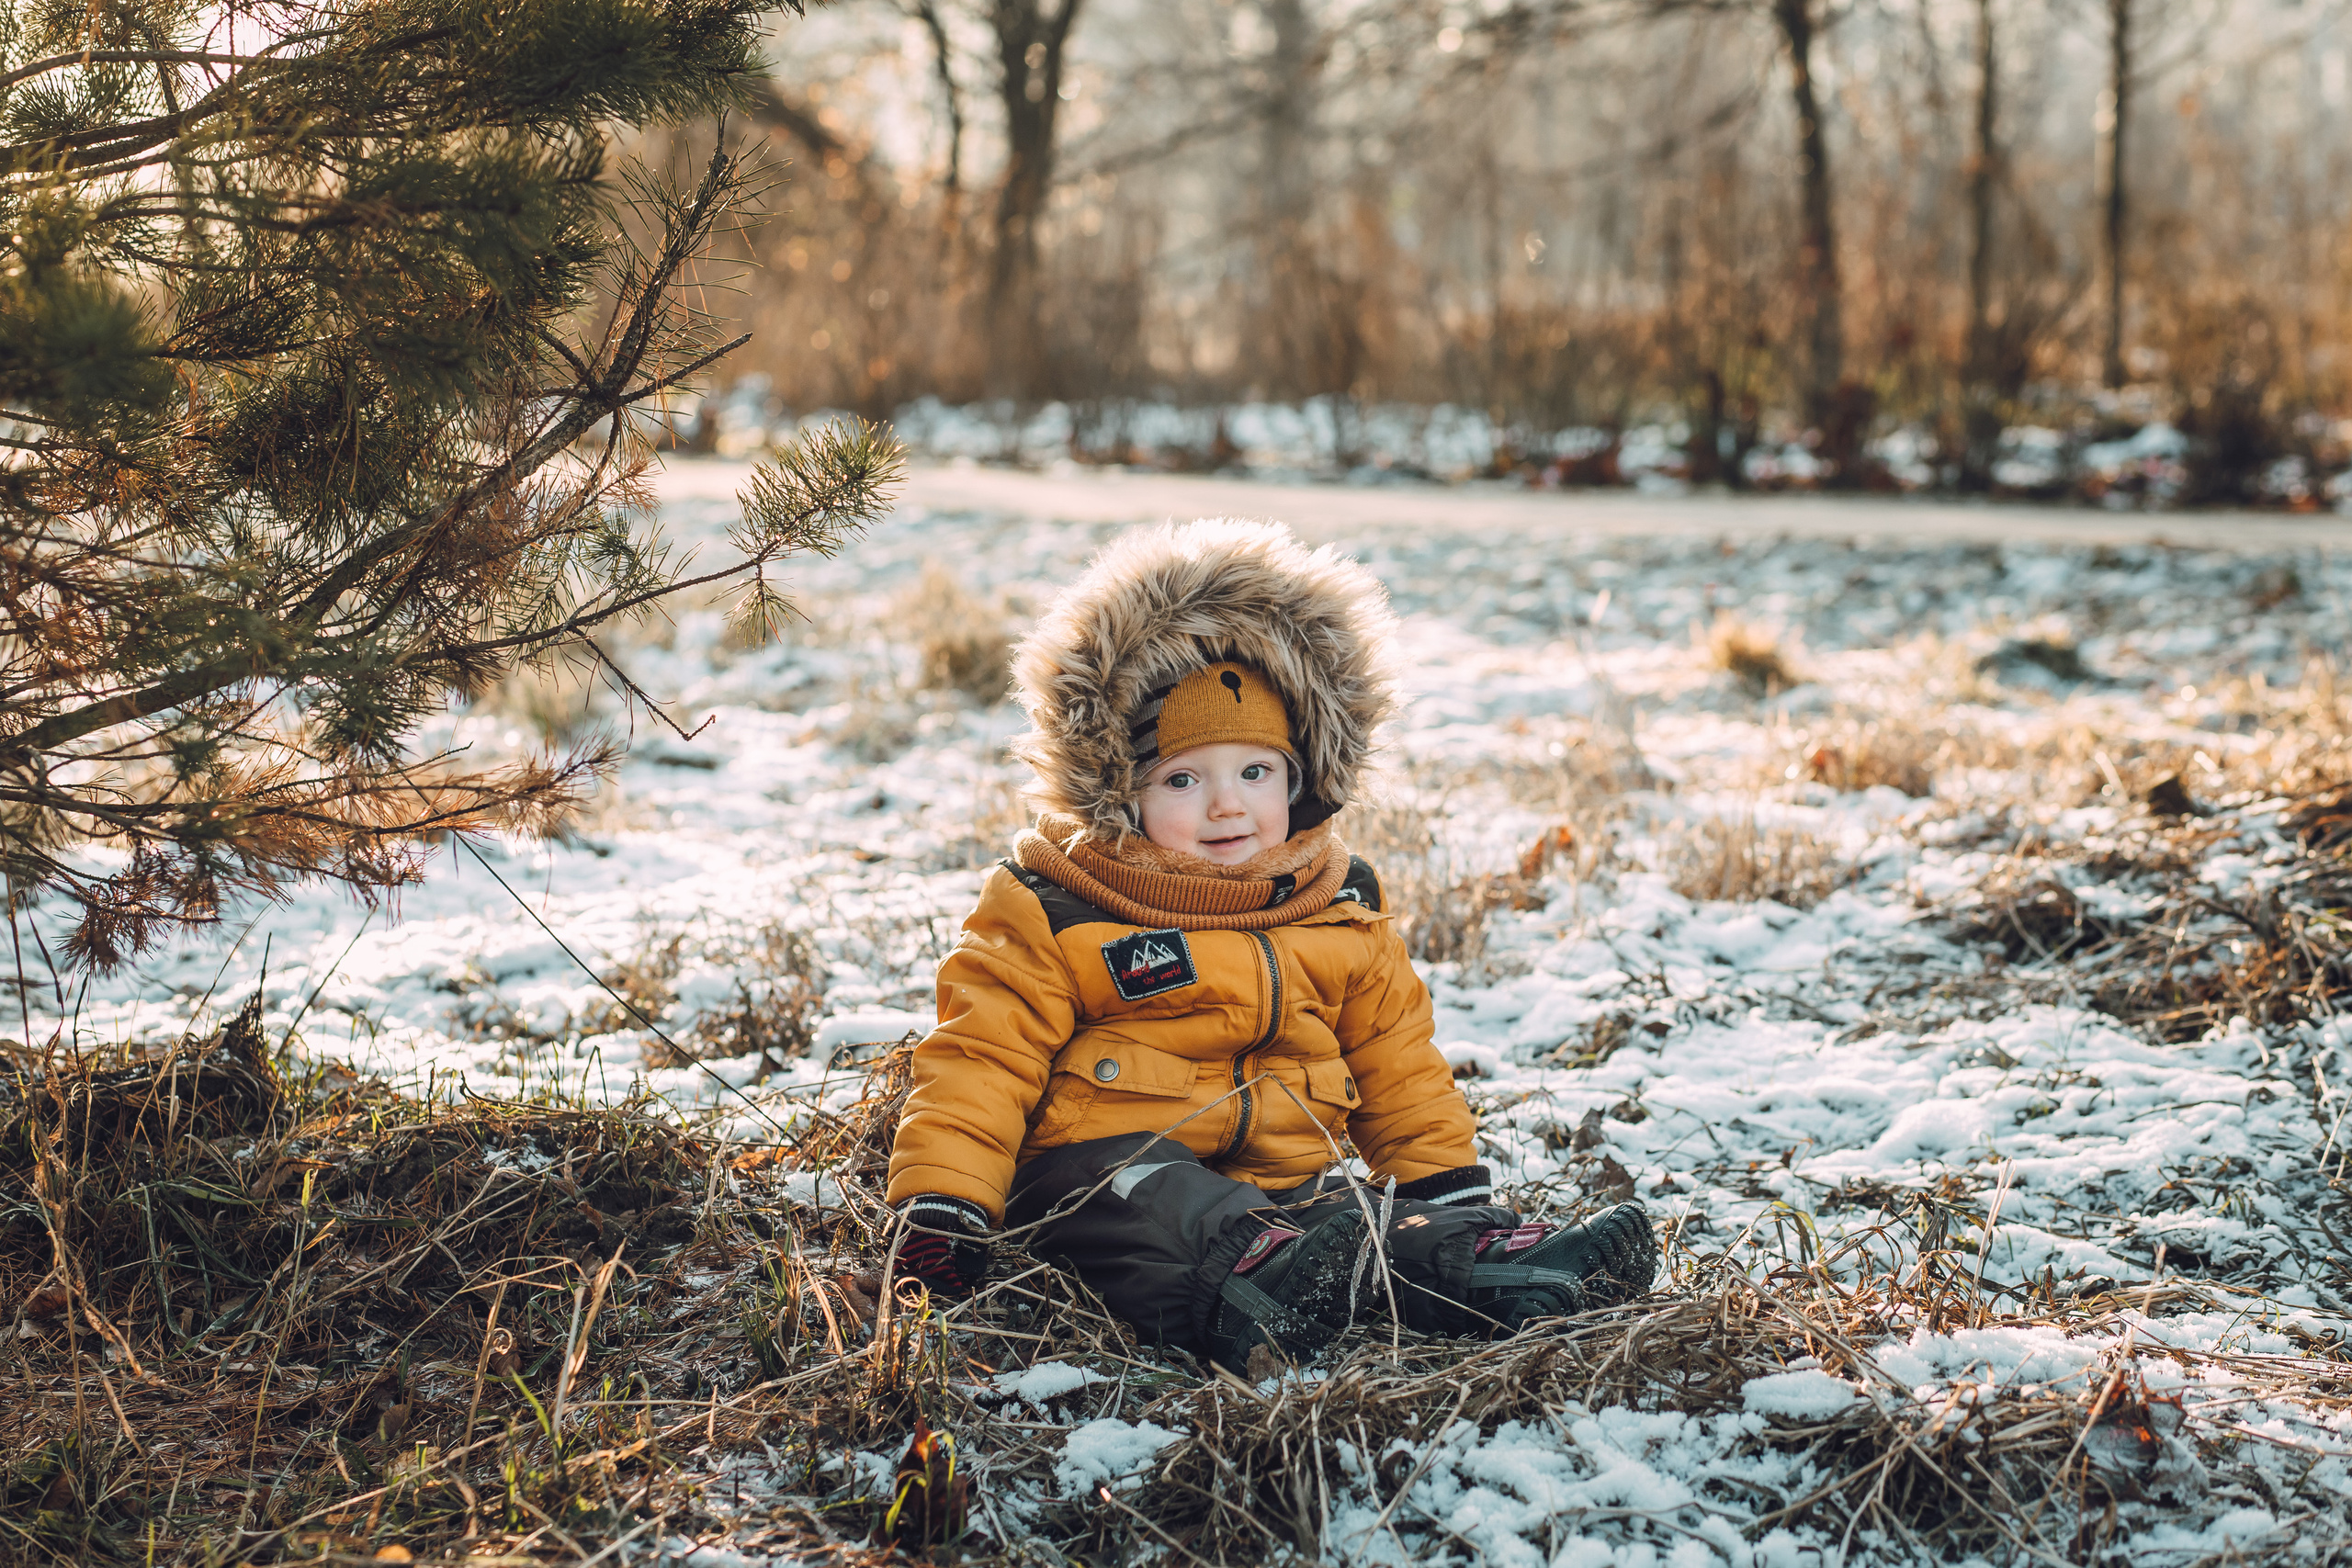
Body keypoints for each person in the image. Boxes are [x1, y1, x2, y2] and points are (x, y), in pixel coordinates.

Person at [883, 518, 1656, 1371]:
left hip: (1287, 1183)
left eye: (1256, 773)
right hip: (1102, 1178)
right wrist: (942, 1205)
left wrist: (1446, 1190)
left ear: (1302, 777)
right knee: (1156, 1198)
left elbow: (1398, 1063)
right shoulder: (1060, 905)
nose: (1228, 807)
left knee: (1358, 1223)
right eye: (1182, 779)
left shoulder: (1337, 907)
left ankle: (1480, 1267)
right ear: (1117, 790)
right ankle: (1261, 1288)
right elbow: (980, 1060)